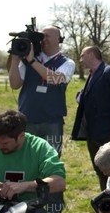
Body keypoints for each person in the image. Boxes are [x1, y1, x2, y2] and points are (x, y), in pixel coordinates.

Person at [71, 46, 110, 191]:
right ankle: (106, 205)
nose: (80, 59)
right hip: (92, 132)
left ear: (92, 55)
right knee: (101, 170)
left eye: (82, 55)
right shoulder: (92, 74)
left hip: (108, 131)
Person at [8, 26, 75, 156]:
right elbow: (15, 84)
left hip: (52, 121)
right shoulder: (28, 58)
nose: (43, 39)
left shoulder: (67, 62)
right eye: (41, 36)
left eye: (47, 36)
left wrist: (32, 61)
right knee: (26, 158)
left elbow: (55, 79)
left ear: (58, 39)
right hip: (28, 119)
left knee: (51, 159)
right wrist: (15, 61)